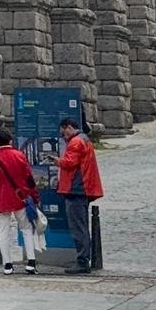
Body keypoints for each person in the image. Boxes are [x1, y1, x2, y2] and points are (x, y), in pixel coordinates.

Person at [0, 125, 40, 277]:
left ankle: (7, 265)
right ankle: (31, 262)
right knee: (26, 229)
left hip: (1, 200)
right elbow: (29, 179)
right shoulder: (19, 156)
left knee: (3, 231)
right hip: (19, 198)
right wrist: (35, 197)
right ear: (10, 140)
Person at [52, 116, 103, 273]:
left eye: (63, 133)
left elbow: (70, 162)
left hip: (76, 189)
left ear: (68, 127)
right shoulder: (83, 139)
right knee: (82, 226)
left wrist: (58, 161)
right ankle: (84, 259)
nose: (63, 136)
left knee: (78, 228)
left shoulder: (76, 142)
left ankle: (82, 262)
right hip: (82, 188)